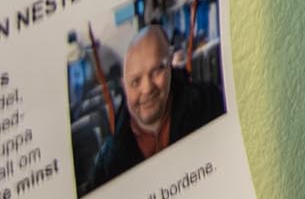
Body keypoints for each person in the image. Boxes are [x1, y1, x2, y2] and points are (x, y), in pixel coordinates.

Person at [83, 28, 222, 187]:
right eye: (135, 81)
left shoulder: (208, 102)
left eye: (156, 71)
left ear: (170, 66)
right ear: (124, 87)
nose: (147, 88)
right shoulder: (107, 165)